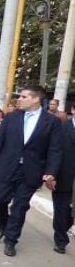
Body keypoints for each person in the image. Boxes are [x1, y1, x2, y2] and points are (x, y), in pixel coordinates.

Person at [0, 86, 62, 257]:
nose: (19, 99)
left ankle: (11, 240)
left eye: (24, 96)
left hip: (32, 171)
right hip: (7, 167)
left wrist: (50, 171)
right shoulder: (11, 118)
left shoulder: (51, 121)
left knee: (20, 207)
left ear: (35, 99)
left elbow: (55, 149)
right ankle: (3, 222)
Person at [50, 102, 75, 254]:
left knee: (69, 215)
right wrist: (52, 174)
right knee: (61, 210)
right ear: (73, 110)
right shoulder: (62, 128)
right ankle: (60, 239)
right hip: (63, 176)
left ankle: (62, 228)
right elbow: (54, 152)